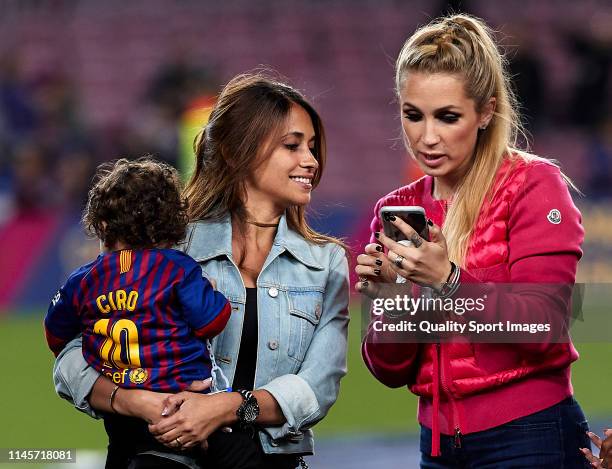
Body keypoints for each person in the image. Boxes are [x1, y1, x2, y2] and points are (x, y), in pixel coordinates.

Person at [52, 72, 350, 469]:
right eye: (292, 146)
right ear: (236, 151)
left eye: (312, 147)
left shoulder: (327, 262)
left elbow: (319, 386)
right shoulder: (167, 243)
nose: (310, 161)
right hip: (155, 454)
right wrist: (134, 400)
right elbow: (71, 356)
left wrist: (225, 408)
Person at [356, 14, 591, 468]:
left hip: (532, 436)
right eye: (412, 115)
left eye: (448, 117)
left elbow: (545, 326)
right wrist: (393, 297)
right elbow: (388, 369)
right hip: (439, 447)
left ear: (485, 111)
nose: (426, 137)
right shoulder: (400, 207)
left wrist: (446, 281)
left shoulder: (533, 185)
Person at [44, 157, 232, 468]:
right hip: (179, 410)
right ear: (171, 223)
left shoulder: (83, 280)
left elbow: (55, 334)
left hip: (120, 417)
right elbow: (212, 320)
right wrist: (212, 292)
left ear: (103, 225)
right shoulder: (178, 268)